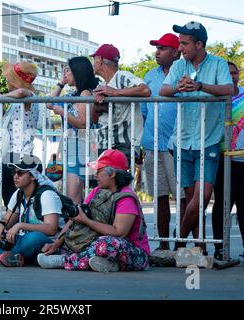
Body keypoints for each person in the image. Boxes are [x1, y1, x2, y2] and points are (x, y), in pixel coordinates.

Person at [159, 21, 234, 253]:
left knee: (203, 196)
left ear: (199, 44)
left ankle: (179, 240)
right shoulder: (179, 66)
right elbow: (163, 90)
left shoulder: (219, 64)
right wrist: (180, 87)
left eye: (184, 43)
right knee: (191, 198)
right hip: (182, 140)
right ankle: (198, 248)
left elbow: (229, 89)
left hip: (208, 140)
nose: (180, 47)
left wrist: (199, 85)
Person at [37, 149, 150, 272]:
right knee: (74, 243)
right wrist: (56, 244)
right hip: (97, 243)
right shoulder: (97, 191)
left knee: (106, 244)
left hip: (134, 252)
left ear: (112, 174)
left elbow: (119, 233)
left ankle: (64, 261)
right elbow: (77, 215)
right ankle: (107, 264)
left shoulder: (126, 198)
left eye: (99, 171)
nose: (95, 174)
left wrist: (86, 221)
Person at [0, 61, 39, 227]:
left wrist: (1, 97)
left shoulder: (30, 97)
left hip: (19, 155)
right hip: (9, 154)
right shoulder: (15, 102)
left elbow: (21, 92)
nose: (7, 82)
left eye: (10, 79)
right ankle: (10, 228)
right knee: (11, 198)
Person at [140, 33, 186, 250]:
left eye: (163, 48)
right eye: (156, 48)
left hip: (177, 146)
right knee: (159, 196)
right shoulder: (149, 75)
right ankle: (164, 244)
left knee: (182, 197)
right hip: (152, 144)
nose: (157, 52)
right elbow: (144, 112)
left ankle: (181, 241)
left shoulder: (186, 74)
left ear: (176, 51)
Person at [0, 155, 62, 267]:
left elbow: (51, 229)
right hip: (24, 241)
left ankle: (0, 256)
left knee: (33, 238)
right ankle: (10, 258)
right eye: (14, 172)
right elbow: (7, 220)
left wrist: (20, 225)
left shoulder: (47, 194)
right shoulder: (19, 193)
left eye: (20, 173)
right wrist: (0, 226)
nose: (15, 176)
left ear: (33, 176)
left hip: (46, 242)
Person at [47, 56, 99, 203]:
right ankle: (79, 225)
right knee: (75, 196)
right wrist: (61, 83)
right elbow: (49, 103)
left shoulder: (85, 94)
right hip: (71, 148)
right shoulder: (73, 94)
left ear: (77, 72)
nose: (65, 74)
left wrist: (63, 112)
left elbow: (83, 124)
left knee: (72, 196)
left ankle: (76, 225)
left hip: (80, 149)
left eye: (68, 70)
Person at [91, 44, 151, 160]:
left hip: (124, 145)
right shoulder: (102, 86)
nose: (93, 63)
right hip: (104, 144)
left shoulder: (122, 77)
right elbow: (95, 119)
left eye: (94, 59)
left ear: (100, 59)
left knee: (111, 176)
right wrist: (96, 104)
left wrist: (114, 92)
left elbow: (145, 90)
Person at [211, 61, 244, 261]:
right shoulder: (216, 96)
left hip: (242, 159)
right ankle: (219, 247)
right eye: (228, 73)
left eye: (235, 73)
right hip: (222, 159)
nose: (232, 76)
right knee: (222, 205)